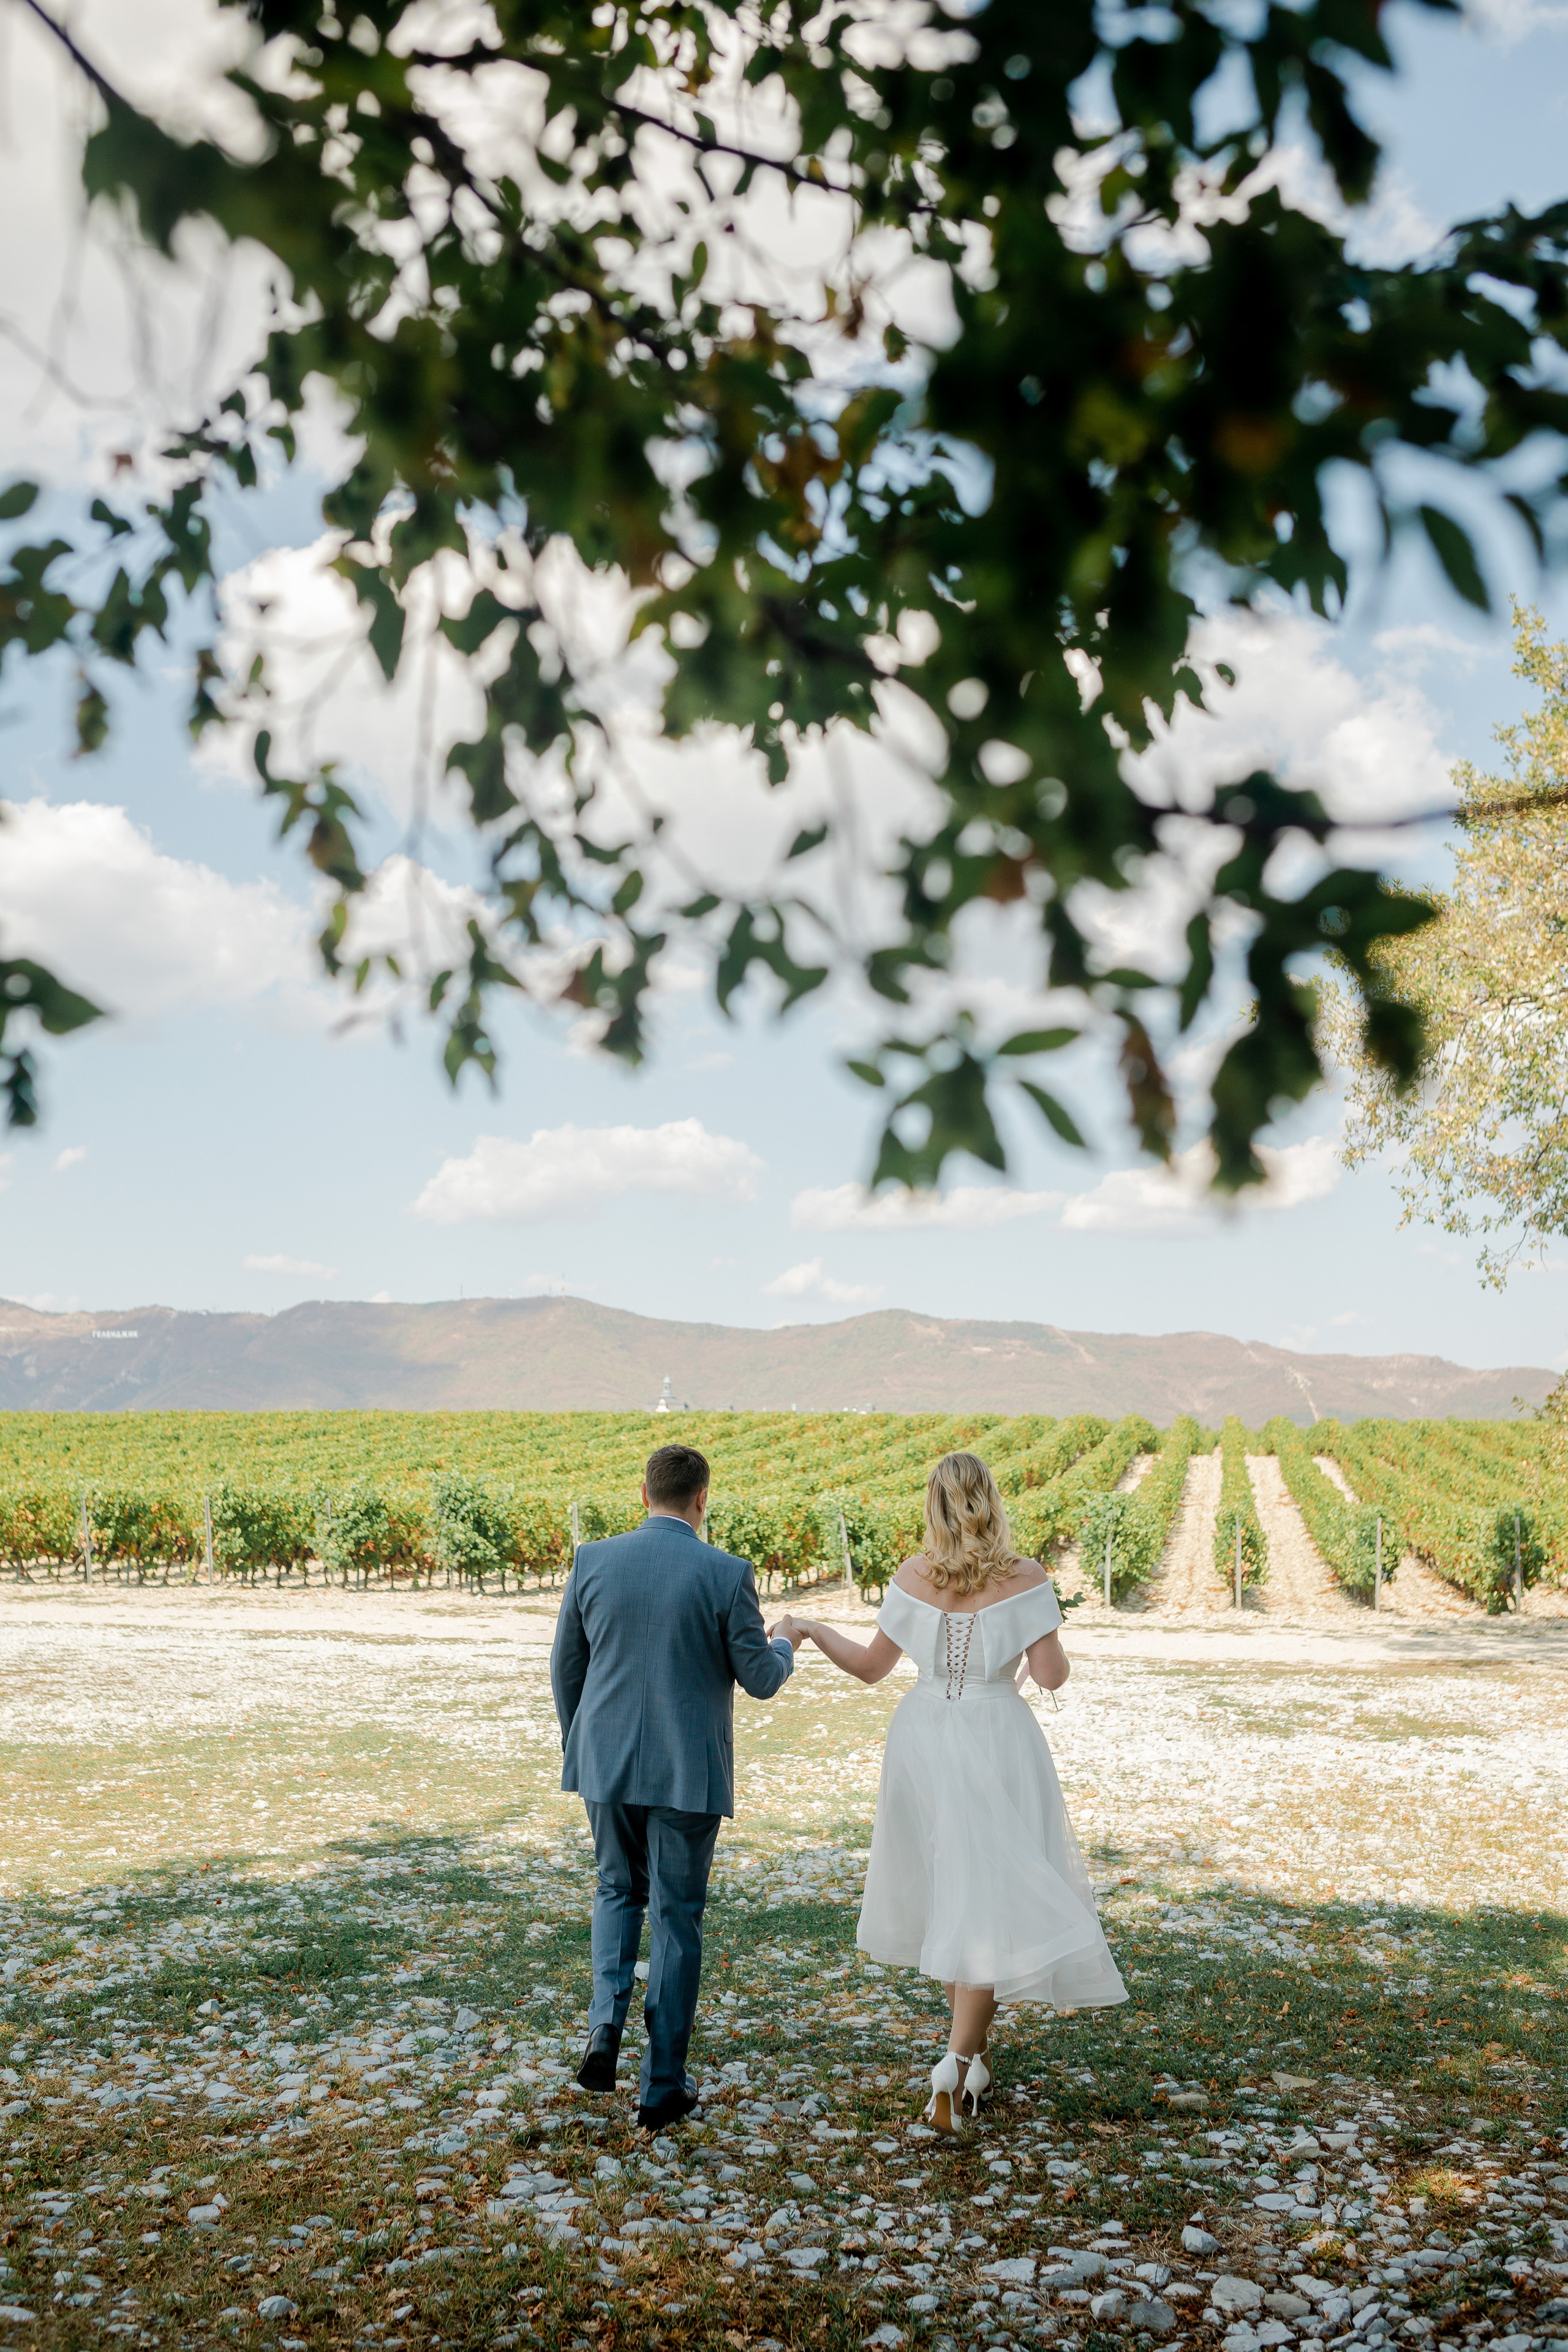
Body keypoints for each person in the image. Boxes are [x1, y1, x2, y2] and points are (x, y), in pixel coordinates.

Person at [772, 1450, 1126, 2133]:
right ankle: (954, 2067)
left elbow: (873, 1669)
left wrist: (813, 1630)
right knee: (986, 1895)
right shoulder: (1026, 1578)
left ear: (932, 1505)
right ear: (991, 1501)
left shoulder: (912, 1575)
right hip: (996, 1731)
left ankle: (975, 2061)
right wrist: (1039, 1635)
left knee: (953, 1889)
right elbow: (1050, 1677)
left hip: (924, 1732)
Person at [550, 1441, 798, 2130]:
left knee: (614, 1889)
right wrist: (787, 1643)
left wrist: (585, 1745)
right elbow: (761, 1679)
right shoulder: (726, 1573)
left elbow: (565, 1668)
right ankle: (662, 2087)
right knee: (677, 1917)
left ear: (643, 1495)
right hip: (688, 1772)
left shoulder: (592, 1560)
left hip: (605, 1763)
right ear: (702, 1499)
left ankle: (605, 2027)